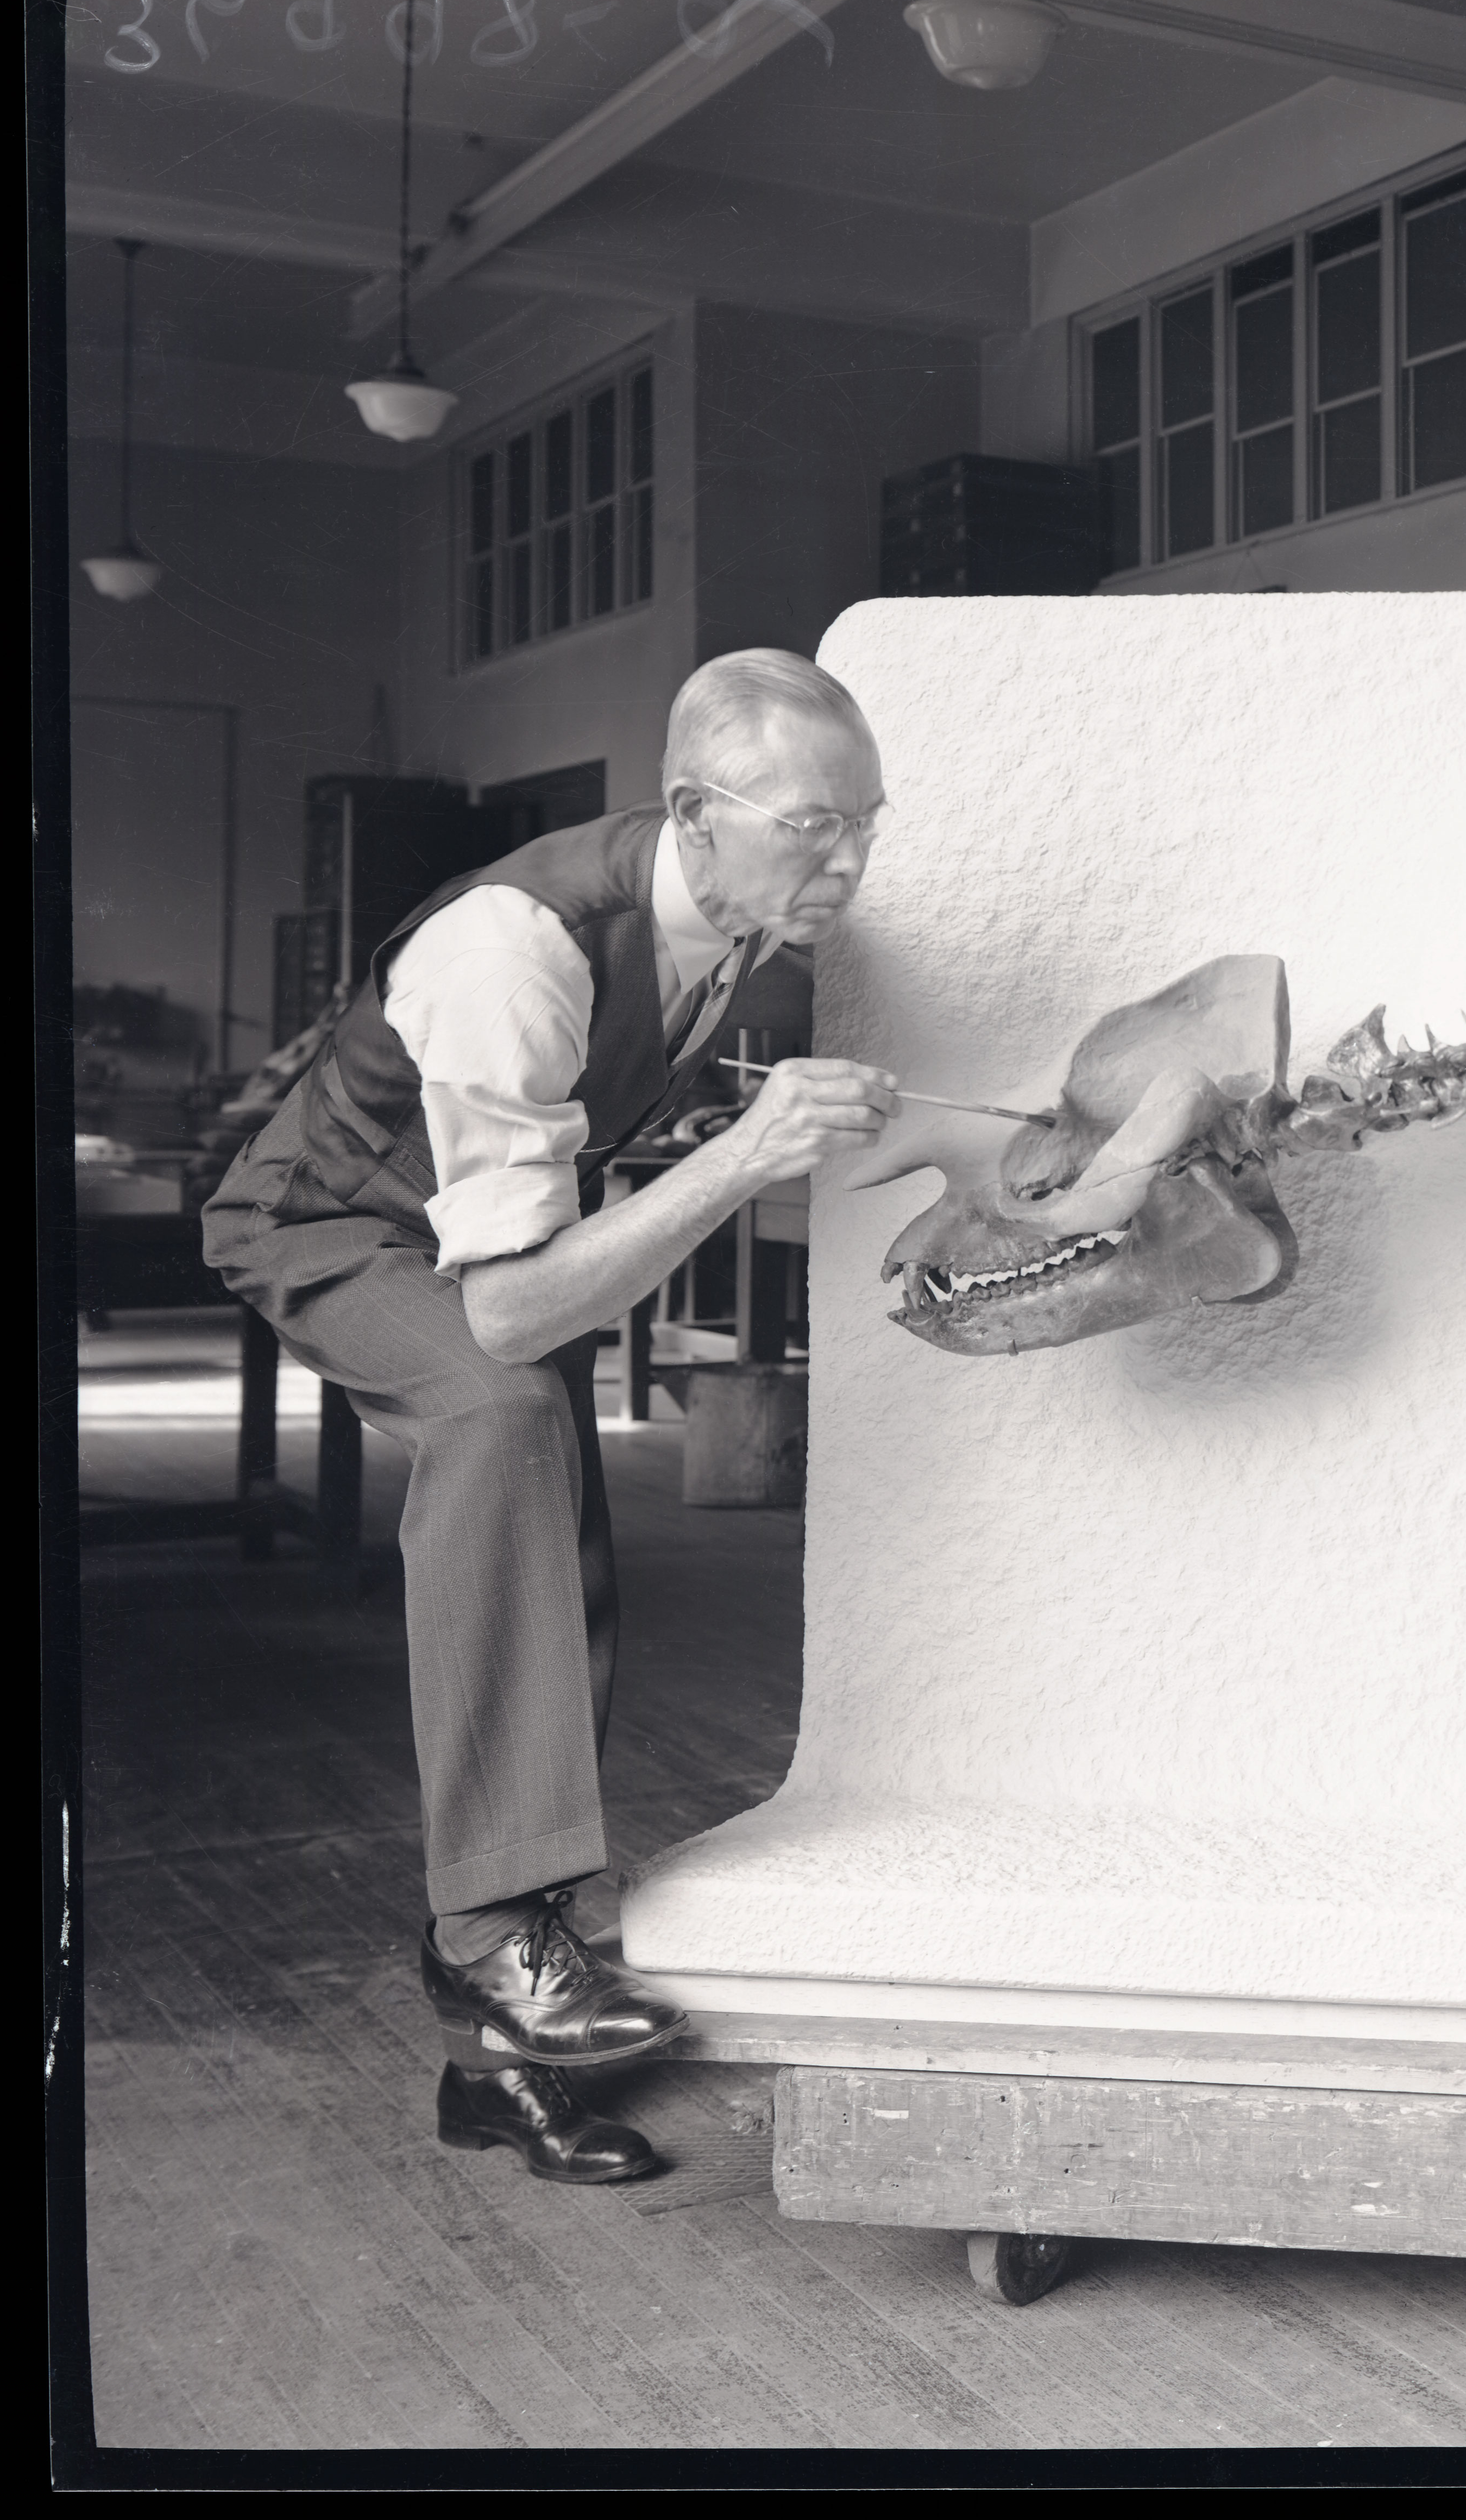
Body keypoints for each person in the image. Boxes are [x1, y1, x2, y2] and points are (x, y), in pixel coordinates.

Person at [204, 649, 899, 2183]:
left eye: (865, 823)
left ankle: (500, 2061)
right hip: (328, 1228)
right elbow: (514, 1311)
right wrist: (744, 1158)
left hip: (452, 1230)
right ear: (694, 813)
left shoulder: (728, 908)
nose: (846, 863)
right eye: (810, 827)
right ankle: (488, 1934)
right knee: (510, 1413)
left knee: (544, 1508)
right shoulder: (511, 946)